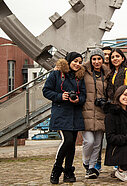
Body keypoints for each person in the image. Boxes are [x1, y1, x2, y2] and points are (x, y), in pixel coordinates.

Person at [43, 52, 86, 184]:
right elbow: (46, 90)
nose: (77, 64)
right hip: (62, 114)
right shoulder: (56, 74)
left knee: (72, 144)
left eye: (80, 62)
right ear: (68, 61)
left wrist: (78, 99)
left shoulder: (80, 77)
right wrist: (60, 96)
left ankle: (68, 171)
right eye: (75, 61)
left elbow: (84, 96)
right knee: (67, 141)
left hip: (75, 114)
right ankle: (56, 169)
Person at [82, 48, 110, 179]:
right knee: (89, 141)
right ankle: (86, 161)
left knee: (98, 143)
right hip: (86, 112)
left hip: (100, 112)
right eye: (94, 59)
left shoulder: (107, 74)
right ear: (90, 60)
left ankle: (92, 168)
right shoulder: (83, 72)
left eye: (99, 58)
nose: (97, 61)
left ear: (102, 60)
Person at [94, 46, 112, 171]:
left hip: (111, 107)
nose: (106, 57)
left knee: (112, 137)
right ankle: (97, 162)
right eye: (104, 54)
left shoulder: (113, 71)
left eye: (108, 54)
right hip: (99, 108)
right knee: (97, 139)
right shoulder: (96, 71)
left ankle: (115, 162)